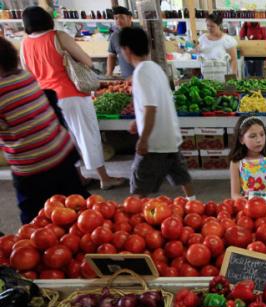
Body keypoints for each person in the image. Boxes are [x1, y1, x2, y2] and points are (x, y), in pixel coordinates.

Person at [20, 6, 124, 190]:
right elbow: (87, 61)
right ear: (46, 19)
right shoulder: (58, 36)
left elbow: (28, 74)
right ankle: (104, 178)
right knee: (87, 136)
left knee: (66, 141)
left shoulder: (25, 43)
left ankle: (79, 178)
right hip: (71, 94)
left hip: (47, 99)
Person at [0, 38, 88, 224]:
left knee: (35, 223)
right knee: (80, 211)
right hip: (62, 153)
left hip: (34, 168)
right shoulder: (25, 77)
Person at [118, 27, 194, 198]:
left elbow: (151, 108)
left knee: (139, 184)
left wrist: (143, 139)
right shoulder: (155, 68)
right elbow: (156, 102)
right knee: (181, 176)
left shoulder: (141, 73)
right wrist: (138, 122)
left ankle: (134, 217)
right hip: (170, 137)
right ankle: (193, 204)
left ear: (127, 50)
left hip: (154, 143)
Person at [229, 116, 266, 199]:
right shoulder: (236, 163)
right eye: (252, 136)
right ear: (241, 139)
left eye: (262, 134)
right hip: (249, 206)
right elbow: (235, 195)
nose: (259, 140)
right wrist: (246, 203)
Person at [107, 6, 135, 78]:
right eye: (116, 18)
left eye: (121, 17)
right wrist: (109, 74)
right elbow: (111, 56)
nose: (118, 21)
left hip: (141, 77)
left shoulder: (138, 34)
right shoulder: (114, 36)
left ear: (129, 18)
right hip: (125, 79)